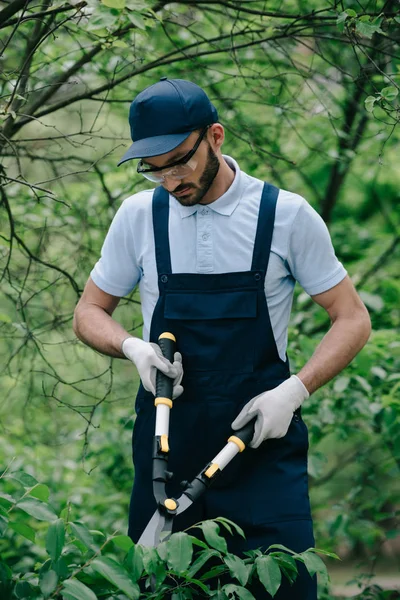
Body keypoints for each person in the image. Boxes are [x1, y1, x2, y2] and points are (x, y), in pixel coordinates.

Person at [73, 77, 371, 599]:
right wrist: (132, 347)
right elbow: (89, 312)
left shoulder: (286, 215)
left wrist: (294, 390)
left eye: (179, 161)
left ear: (215, 136)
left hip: (261, 444)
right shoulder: (138, 217)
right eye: (153, 167)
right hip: (168, 446)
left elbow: (351, 318)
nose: (168, 179)